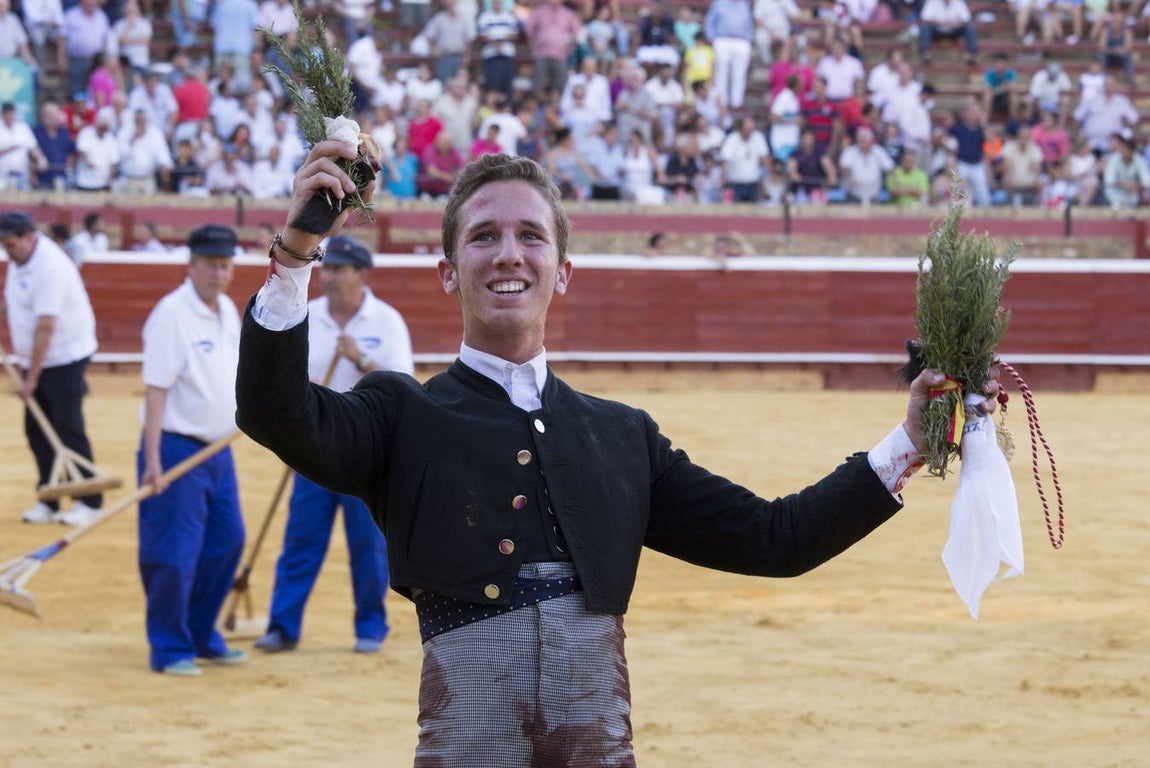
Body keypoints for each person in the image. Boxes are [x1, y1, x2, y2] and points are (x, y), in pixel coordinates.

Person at [235, 145, 1001, 764]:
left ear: (562, 272)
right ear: (448, 272)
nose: (510, 254)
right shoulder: (400, 412)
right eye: (484, 236)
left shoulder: (622, 434)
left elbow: (778, 539)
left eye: (532, 236)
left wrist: (911, 441)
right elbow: (275, 411)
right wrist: (298, 249)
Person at [254, 234, 414, 655]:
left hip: (368, 452)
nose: (328, 277)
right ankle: (282, 626)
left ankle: (370, 627)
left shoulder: (386, 321)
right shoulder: (307, 314)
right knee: (301, 541)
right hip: (315, 447)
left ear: (361, 274)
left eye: (339, 269)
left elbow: (405, 390)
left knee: (368, 545)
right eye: (326, 268)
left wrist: (361, 360)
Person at [136, 224, 247, 677]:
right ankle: (168, 646)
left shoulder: (225, 310)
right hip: (177, 448)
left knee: (227, 540)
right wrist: (154, 459)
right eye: (210, 266)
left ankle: (202, 634)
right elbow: (155, 391)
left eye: (225, 266)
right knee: (174, 553)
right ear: (193, 265)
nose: (219, 275)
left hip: (218, 450)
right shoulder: (171, 315)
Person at [1, 210, 103, 526]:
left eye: (11, 245)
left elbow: (46, 327)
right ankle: (49, 499)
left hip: (65, 356)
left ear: (29, 237)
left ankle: (89, 501)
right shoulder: (22, 258)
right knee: (37, 430)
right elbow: (14, 300)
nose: (7, 251)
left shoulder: (51, 267)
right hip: (39, 358)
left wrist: (31, 378)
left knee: (66, 425)